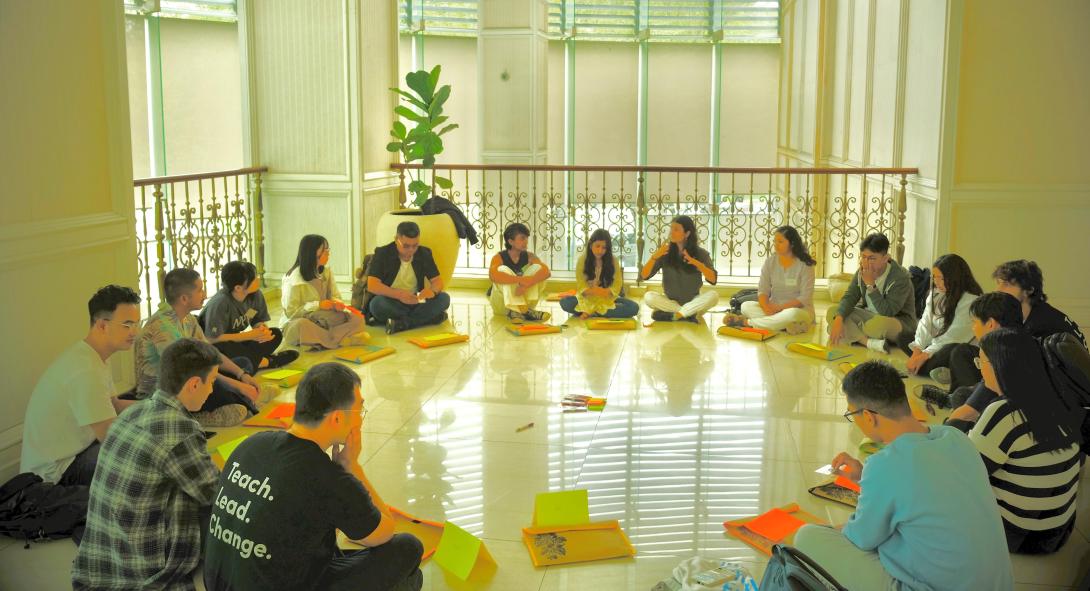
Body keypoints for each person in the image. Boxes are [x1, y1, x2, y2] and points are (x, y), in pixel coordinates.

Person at [793, 361, 1013, 591]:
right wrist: (865, 476)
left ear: (868, 416)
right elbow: (926, 485)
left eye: (852, 414)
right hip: (999, 584)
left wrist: (837, 528)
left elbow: (861, 539)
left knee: (808, 536)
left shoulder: (885, 464)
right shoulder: (955, 437)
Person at [203, 363, 423, 591]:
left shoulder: (251, 444)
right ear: (337, 419)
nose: (361, 420)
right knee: (408, 549)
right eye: (360, 410)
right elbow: (384, 532)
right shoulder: (327, 476)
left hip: (218, 584)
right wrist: (351, 466)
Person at [73, 338, 222, 590]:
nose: (212, 391)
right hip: (144, 566)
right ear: (194, 384)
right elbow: (215, 493)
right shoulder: (181, 430)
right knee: (231, 510)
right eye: (213, 383)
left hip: (100, 561)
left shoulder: (133, 412)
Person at [969, 328, 1082, 554]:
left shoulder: (1004, 412)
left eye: (981, 363)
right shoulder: (1058, 396)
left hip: (1020, 534)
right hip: (1059, 530)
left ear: (999, 366)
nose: (981, 372)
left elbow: (968, 472)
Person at [20, 286, 141, 485]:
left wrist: (159, 406)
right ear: (102, 325)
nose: (135, 332)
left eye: (136, 323)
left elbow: (115, 405)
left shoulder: (94, 356)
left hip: (77, 450)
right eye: (127, 325)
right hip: (55, 473)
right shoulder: (85, 371)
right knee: (138, 461)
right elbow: (113, 442)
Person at [135, 268, 260, 427]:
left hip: (191, 380)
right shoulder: (163, 327)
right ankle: (187, 417)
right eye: (200, 290)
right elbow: (191, 372)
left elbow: (211, 354)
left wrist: (242, 375)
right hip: (164, 395)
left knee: (243, 364)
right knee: (227, 394)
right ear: (184, 298)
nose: (205, 294)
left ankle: (239, 398)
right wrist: (237, 385)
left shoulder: (188, 319)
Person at [916, 292, 1022, 414]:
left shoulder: (999, 355)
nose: (973, 327)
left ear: (991, 324)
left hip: (1002, 412)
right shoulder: (1016, 342)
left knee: (961, 396)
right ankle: (952, 395)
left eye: (975, 322)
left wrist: (955, 422)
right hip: (999, 401)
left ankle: (952, 398)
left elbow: (991, 395)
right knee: (960, 353)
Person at [200, 260, 298, 371]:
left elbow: (255, 318)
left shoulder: (255, 295)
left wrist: (261, 330)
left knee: (275, 334)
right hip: (217, 345)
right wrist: (248, 336)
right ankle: (267, 361)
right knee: (223, 349)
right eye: (253, 279)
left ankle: (251, 361)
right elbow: (210, 339)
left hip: (237, 343)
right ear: (238, 288)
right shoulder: (220, 303)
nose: (258, 279)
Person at [827, 233, 917, 353]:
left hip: (896, 322)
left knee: (876, 325)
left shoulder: (901, 278)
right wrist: (839, 319)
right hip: (869, 315)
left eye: (872, 258)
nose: (866, 262)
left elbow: (888, 311)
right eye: (863, 257)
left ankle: (854, 333)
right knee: (833, 313)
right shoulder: (861, 272)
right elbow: (849, 297)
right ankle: (868, 342)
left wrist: (871, 286)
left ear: (886, 258)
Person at [722, 225, 814, 334]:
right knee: (746, 306)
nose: (775, 245)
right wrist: (766, 307)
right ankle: (784, 326)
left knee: (792, 315)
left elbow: (804, 298)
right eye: (774, 241)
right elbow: (763, 289)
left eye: (780, 242)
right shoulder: (770, 262)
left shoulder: (805, 265)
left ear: (792, 243)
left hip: (799, 310)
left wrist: (779, 308)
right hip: (773, 309)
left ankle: (747, 323)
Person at [281, 234, 368, 348]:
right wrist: (318, 305)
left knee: (358, 318)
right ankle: (339, 339)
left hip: (325, 319)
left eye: (328, 249)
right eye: (324, 250)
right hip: (305, 320)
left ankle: (323, 341)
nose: (328, 253)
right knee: (301, 326)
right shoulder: (293, 279)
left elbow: (335, 296)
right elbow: (291, 314)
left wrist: (336, 304)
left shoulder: (326, 272)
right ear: (312, 253)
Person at [905, 254, 982, 377]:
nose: (936, 282)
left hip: (953, 348)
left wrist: (924, 355)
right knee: (903, 336)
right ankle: (931, 366)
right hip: (936, 343)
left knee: (947, 352)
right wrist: (917, 351)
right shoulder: (936, 294)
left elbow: (952, 337)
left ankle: (938, 368)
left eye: (940, 278)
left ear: (954, 278)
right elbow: (925, 323)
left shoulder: (971, 301)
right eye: (934, 277)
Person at [367, 221, 451, 334]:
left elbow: (437, 281)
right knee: (377, 304)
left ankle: (402, 323)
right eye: (406, 246)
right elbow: (372, 285)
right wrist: (399, 294)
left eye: (415, 245)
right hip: (393, 300)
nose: (411, 250)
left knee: (444, 298)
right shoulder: (383, 253)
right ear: (396, 239)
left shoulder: (424, 253)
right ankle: (428, 318)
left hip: (416, 299)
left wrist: (432, 291)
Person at [640, 215, 719, 322]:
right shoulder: (664, 252)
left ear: (687, 233)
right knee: (648, 297)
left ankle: (677, 314)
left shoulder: (700, 253)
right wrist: (655, 256)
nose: (671, 232)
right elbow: (644, 275)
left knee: (713, 296)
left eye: (676, 229)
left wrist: (698, 264)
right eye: (671, 229)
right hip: (670, 302)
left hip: (694, 301)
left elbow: (713, 279)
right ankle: (686, 313)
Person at [994, 259, 1085, 346]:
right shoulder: (1035, 314)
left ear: (1029, 289)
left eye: (1007, 284)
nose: (998, 290)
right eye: (999, 283)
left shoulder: (1043, 327)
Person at [560, 229, 639, 319]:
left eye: (604, 247)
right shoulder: (582, 260)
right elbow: (581, 285)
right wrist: (594, 291)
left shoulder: (613, 261)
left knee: (633, 307)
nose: (600, 250)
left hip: (607, 299)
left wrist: (605, 292)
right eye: (597, 246)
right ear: (590, 245)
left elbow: (617, 285)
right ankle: (598, 312)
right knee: (565, 302)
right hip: (587, 299)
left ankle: (591, 312)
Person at [488, 222, 552, 322]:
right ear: (511, 241)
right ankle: (525, 311)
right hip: (502, 306)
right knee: (502, 270)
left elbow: (546, 272)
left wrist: (526, 284)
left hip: (526, 302)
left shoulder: (530, 256)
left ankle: (520, 311)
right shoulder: (498, 257)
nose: (526, 241)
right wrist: (522, 280)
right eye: (522, 238)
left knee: (537, 268)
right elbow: (493, 276)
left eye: (526, 238)